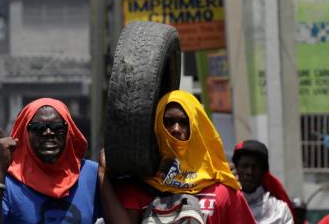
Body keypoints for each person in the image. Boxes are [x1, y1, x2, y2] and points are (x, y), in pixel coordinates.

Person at [99, 90, 256, 223]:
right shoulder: (139, 186)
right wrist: (103, 175)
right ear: (157, 127)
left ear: (196, 127)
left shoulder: (223, 191)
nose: (175, 129)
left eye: (184, 122)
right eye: (168, 121)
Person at [0, 98, 101, 223]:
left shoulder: (92, 174)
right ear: (25, 134)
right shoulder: (4, 177)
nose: (48, 133)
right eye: (38, 128)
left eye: (57, 127)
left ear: (69, 132)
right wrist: (1, 168)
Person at [232, 140, 294, 223]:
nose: (249, 172)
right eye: (245, 166)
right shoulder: (225, 205)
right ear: (236, 168)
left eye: (254, 167)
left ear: (263, 171)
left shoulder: (280, 210)